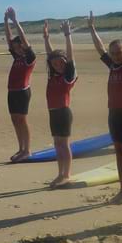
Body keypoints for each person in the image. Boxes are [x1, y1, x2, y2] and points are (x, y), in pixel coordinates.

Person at [89, 10, 122, 203]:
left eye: (120, 53)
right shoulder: (113, 66)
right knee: (118, 151)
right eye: (114, 54)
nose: (116, 56)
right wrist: (92, 28)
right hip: (113, 114)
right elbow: (100, 49)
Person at [43, 19, 77, 187]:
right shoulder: (53, 75)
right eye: (55, 64)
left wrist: (67, 35)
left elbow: (70, 57)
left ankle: (67, 174)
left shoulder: (67, 76)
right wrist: (46, 38)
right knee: (57, 144)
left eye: (61, 63)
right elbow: (50, 56)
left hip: (63, 113)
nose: (58, 65)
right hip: (53, 113)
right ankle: (60, 173)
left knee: (64, 144)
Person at [4, 7, 37, 162]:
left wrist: (15, 21)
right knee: (15, 120)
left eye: (19, 46)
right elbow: (9, 38)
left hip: (22, 92)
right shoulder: (16, 57)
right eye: (15, 47)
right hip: (12, 91)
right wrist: (5, 21)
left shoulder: (29, 58)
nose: (16, 48)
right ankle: (20, 149)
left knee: (22, 120)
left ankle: (27, 150)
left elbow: (23, 39)